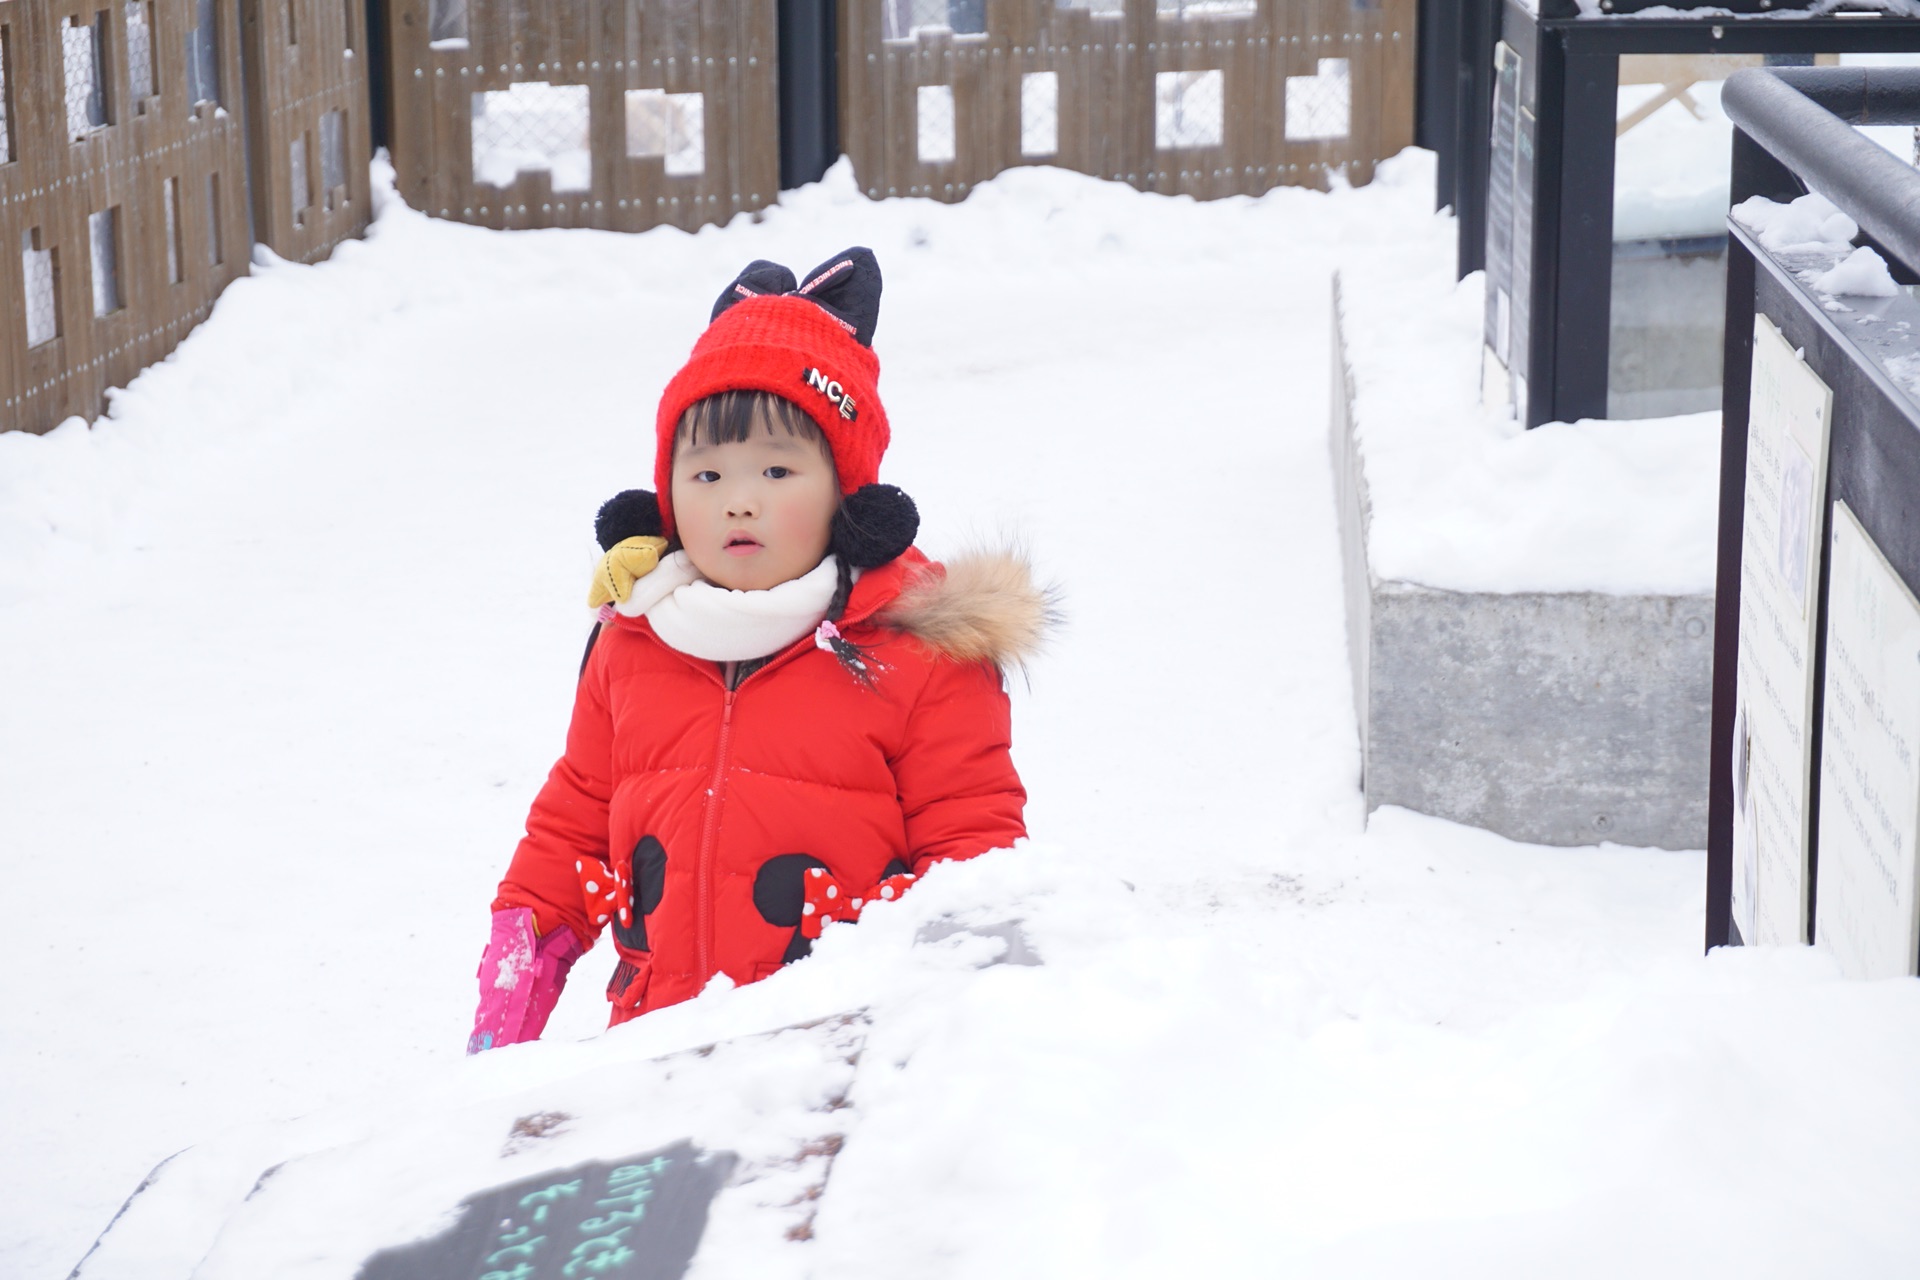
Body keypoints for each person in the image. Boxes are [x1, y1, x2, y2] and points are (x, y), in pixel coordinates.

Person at [468, 248, 1051, 1052]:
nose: (739, 499)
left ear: (849, 495)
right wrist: (516, 974)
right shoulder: (636, 639)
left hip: (834, 1065)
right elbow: (572, 826)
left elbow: (972, 859)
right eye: (705, 475)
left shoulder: (920, 653)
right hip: (653, 1049)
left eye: (777, 469)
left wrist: (957, 1038)